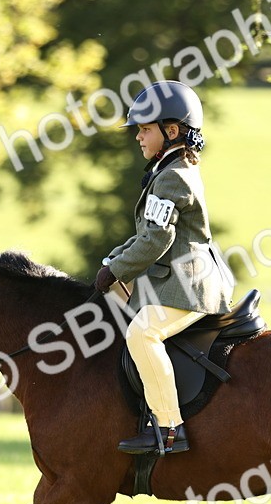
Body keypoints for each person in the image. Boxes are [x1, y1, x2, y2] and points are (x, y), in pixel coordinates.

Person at [94, 80, 235, 455]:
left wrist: (118, 270)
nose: (138, 138)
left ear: (171, 131)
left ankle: (169, 428)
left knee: (142, 334)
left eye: (144, 129)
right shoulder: (168, 170)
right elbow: (146, 233)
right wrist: (112, 261)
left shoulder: (172, 177)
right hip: (179, 281)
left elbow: (157, 242)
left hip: (191, 285)